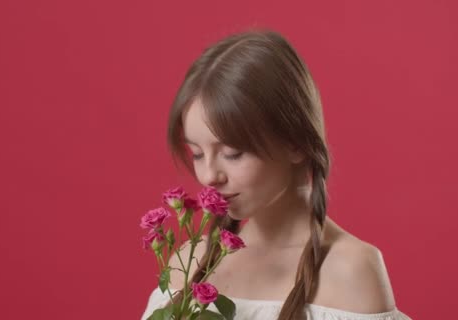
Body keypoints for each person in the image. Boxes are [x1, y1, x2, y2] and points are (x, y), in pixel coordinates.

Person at [141, 29, 412, 320]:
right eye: (196, 153)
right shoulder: (189, 262)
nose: (209, 176)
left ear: (295, 142)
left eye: (232, 153)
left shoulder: (351, 270)